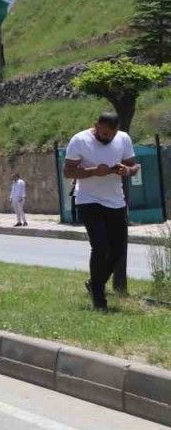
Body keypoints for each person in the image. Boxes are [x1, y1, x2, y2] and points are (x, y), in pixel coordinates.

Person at [63, 111, 137, 310]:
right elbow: (68, 171)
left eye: (110, 136)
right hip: (88, 200)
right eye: (103, 134)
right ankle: (99, 299)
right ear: (96, 126)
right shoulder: (79, 140)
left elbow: (134, 166)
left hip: (115, 201)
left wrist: (126, 170)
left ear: (116, 131)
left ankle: (95, 282)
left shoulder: (123, 139)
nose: (106, 138)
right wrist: (93, 171)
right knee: (100, 247)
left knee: (119, 250)